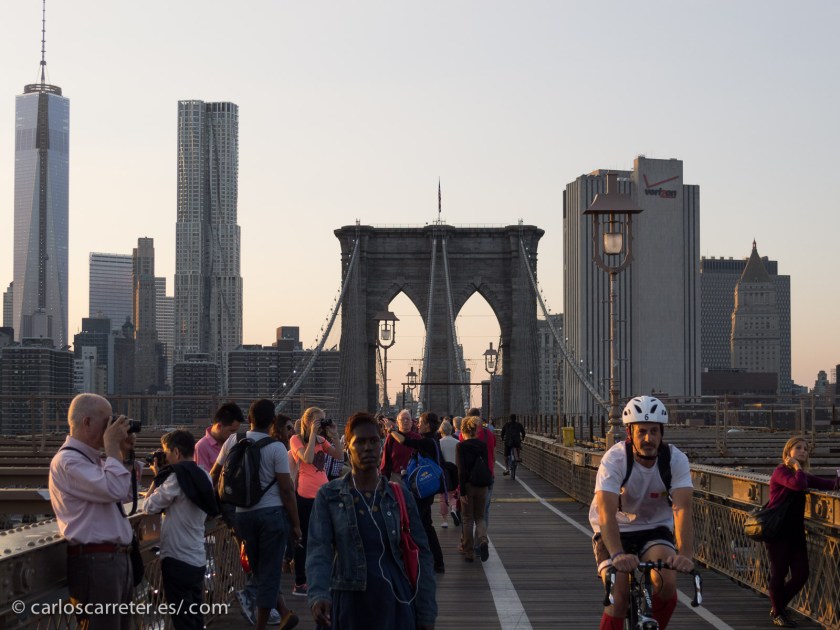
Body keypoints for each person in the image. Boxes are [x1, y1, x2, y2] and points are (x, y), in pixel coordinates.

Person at [307, 411, 437, 630]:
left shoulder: (400, 496)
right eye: (360, 442)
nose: (368, 448)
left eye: (374, 441)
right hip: (348, 604)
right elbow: (319, 550)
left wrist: (426, 613)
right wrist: (318, 594)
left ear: (382, 444)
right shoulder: (329, 495)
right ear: (347, 447)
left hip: (395, 602)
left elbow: (422, 553)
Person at [590, 396, 694, 630]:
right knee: (618, 596)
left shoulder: (675, 460)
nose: (649, 438)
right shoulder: (615, 460)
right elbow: (605, 512)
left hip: (654, 528)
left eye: (654, 431)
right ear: (630, 433)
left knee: (667, 583)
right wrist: (617, 554)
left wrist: (686, 554)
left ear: (662, 433)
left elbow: (682, 509)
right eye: (642, 432)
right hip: (614, 528)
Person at [48, 393, 137, 630]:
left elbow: (127, 494)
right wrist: (111, 448)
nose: (113, 428)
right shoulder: (68, 461)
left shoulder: (93, 460)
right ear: (87, 422)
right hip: (96, 562)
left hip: (115, 560)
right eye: (107, 422)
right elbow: (115, 489)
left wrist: (124, 454)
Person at [212, 399, 302, 630]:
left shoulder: (234, 439)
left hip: (242, 516)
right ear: (273, 422)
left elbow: (215, 473)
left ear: (249, 419)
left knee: (260, 568)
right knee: (270, 570)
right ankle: (261, 623)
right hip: (271, 515)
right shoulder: (276, 448)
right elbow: (286, 490)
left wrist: (211, 504)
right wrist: (296, 524)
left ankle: (283, 613)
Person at [143, 430, 217, 630]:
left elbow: (149, 506)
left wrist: (157, 476)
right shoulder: (203, 475)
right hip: (197, 557)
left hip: (177, 558)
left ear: (175, 452)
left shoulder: (175, 479)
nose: (165, 456)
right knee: (194, 616)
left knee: (182, 620)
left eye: (166, 452)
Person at [764, 436, 839, 627]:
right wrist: (797, 467)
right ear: (788, 452)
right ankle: (778, 612)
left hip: (796, 532)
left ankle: (778, 607)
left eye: (806, 449)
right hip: (778, 532)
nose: (803, 451)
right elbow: (798, 485)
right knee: (779, 573)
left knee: (801, 574)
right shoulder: (781, 471)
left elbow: (829, 484)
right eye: (798, 448)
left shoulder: (803, 475)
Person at [289, 406, 342, 598]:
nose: (321, 424)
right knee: (303, 539)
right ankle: (300, 582)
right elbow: (308, 458)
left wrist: (334, 435)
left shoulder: (322, 440)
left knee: (326, 538)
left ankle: (325, 576)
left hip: (324, 495)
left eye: (323, 420)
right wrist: (312, 434)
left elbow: (339, 456)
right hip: (305, 497)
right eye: (319, 421)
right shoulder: (296, 440)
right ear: (307, 422)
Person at [389, 412, 446, 573]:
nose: (417, 424)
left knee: (413, 525)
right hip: (426, 489)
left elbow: (404, 441)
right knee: (426, 525)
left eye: (420, 422)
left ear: (428, 425)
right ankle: (437, 561)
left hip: (423, 491)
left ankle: (416, 560)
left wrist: (390, 430)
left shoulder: (427, 441)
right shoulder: (433, 439)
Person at [459, 408, 495, 557]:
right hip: (485, 480)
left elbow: (460, 468)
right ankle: (481, 543)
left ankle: (468, 549)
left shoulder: (461, 441)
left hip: (468, 483)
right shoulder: (488, 436)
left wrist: (460, 490)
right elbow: (490, 458)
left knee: (468, 518)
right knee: (482, 515)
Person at [194, 402, 244, 472]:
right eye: (231, 431)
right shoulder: (201, 447)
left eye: (236, 431)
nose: (234, 434)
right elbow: (204, 478)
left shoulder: (235, 442)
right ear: (219, 426)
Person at [380, 409, 422, 480]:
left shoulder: (417, 437)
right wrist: (383, 476)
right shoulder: (391, 437)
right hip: (396, 476)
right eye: (402, 419)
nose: (405, 421)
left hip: (414, 476)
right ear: (397, 423)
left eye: (408, 419)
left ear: (411, 422)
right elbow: (385, 458)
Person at [437, 420, 460, 529]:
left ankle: (444, 520)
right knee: (454, 494)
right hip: (455, 471)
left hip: (443, 472)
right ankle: (454, 508)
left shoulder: (439, 443)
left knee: (443, 496)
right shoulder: (457, 442)